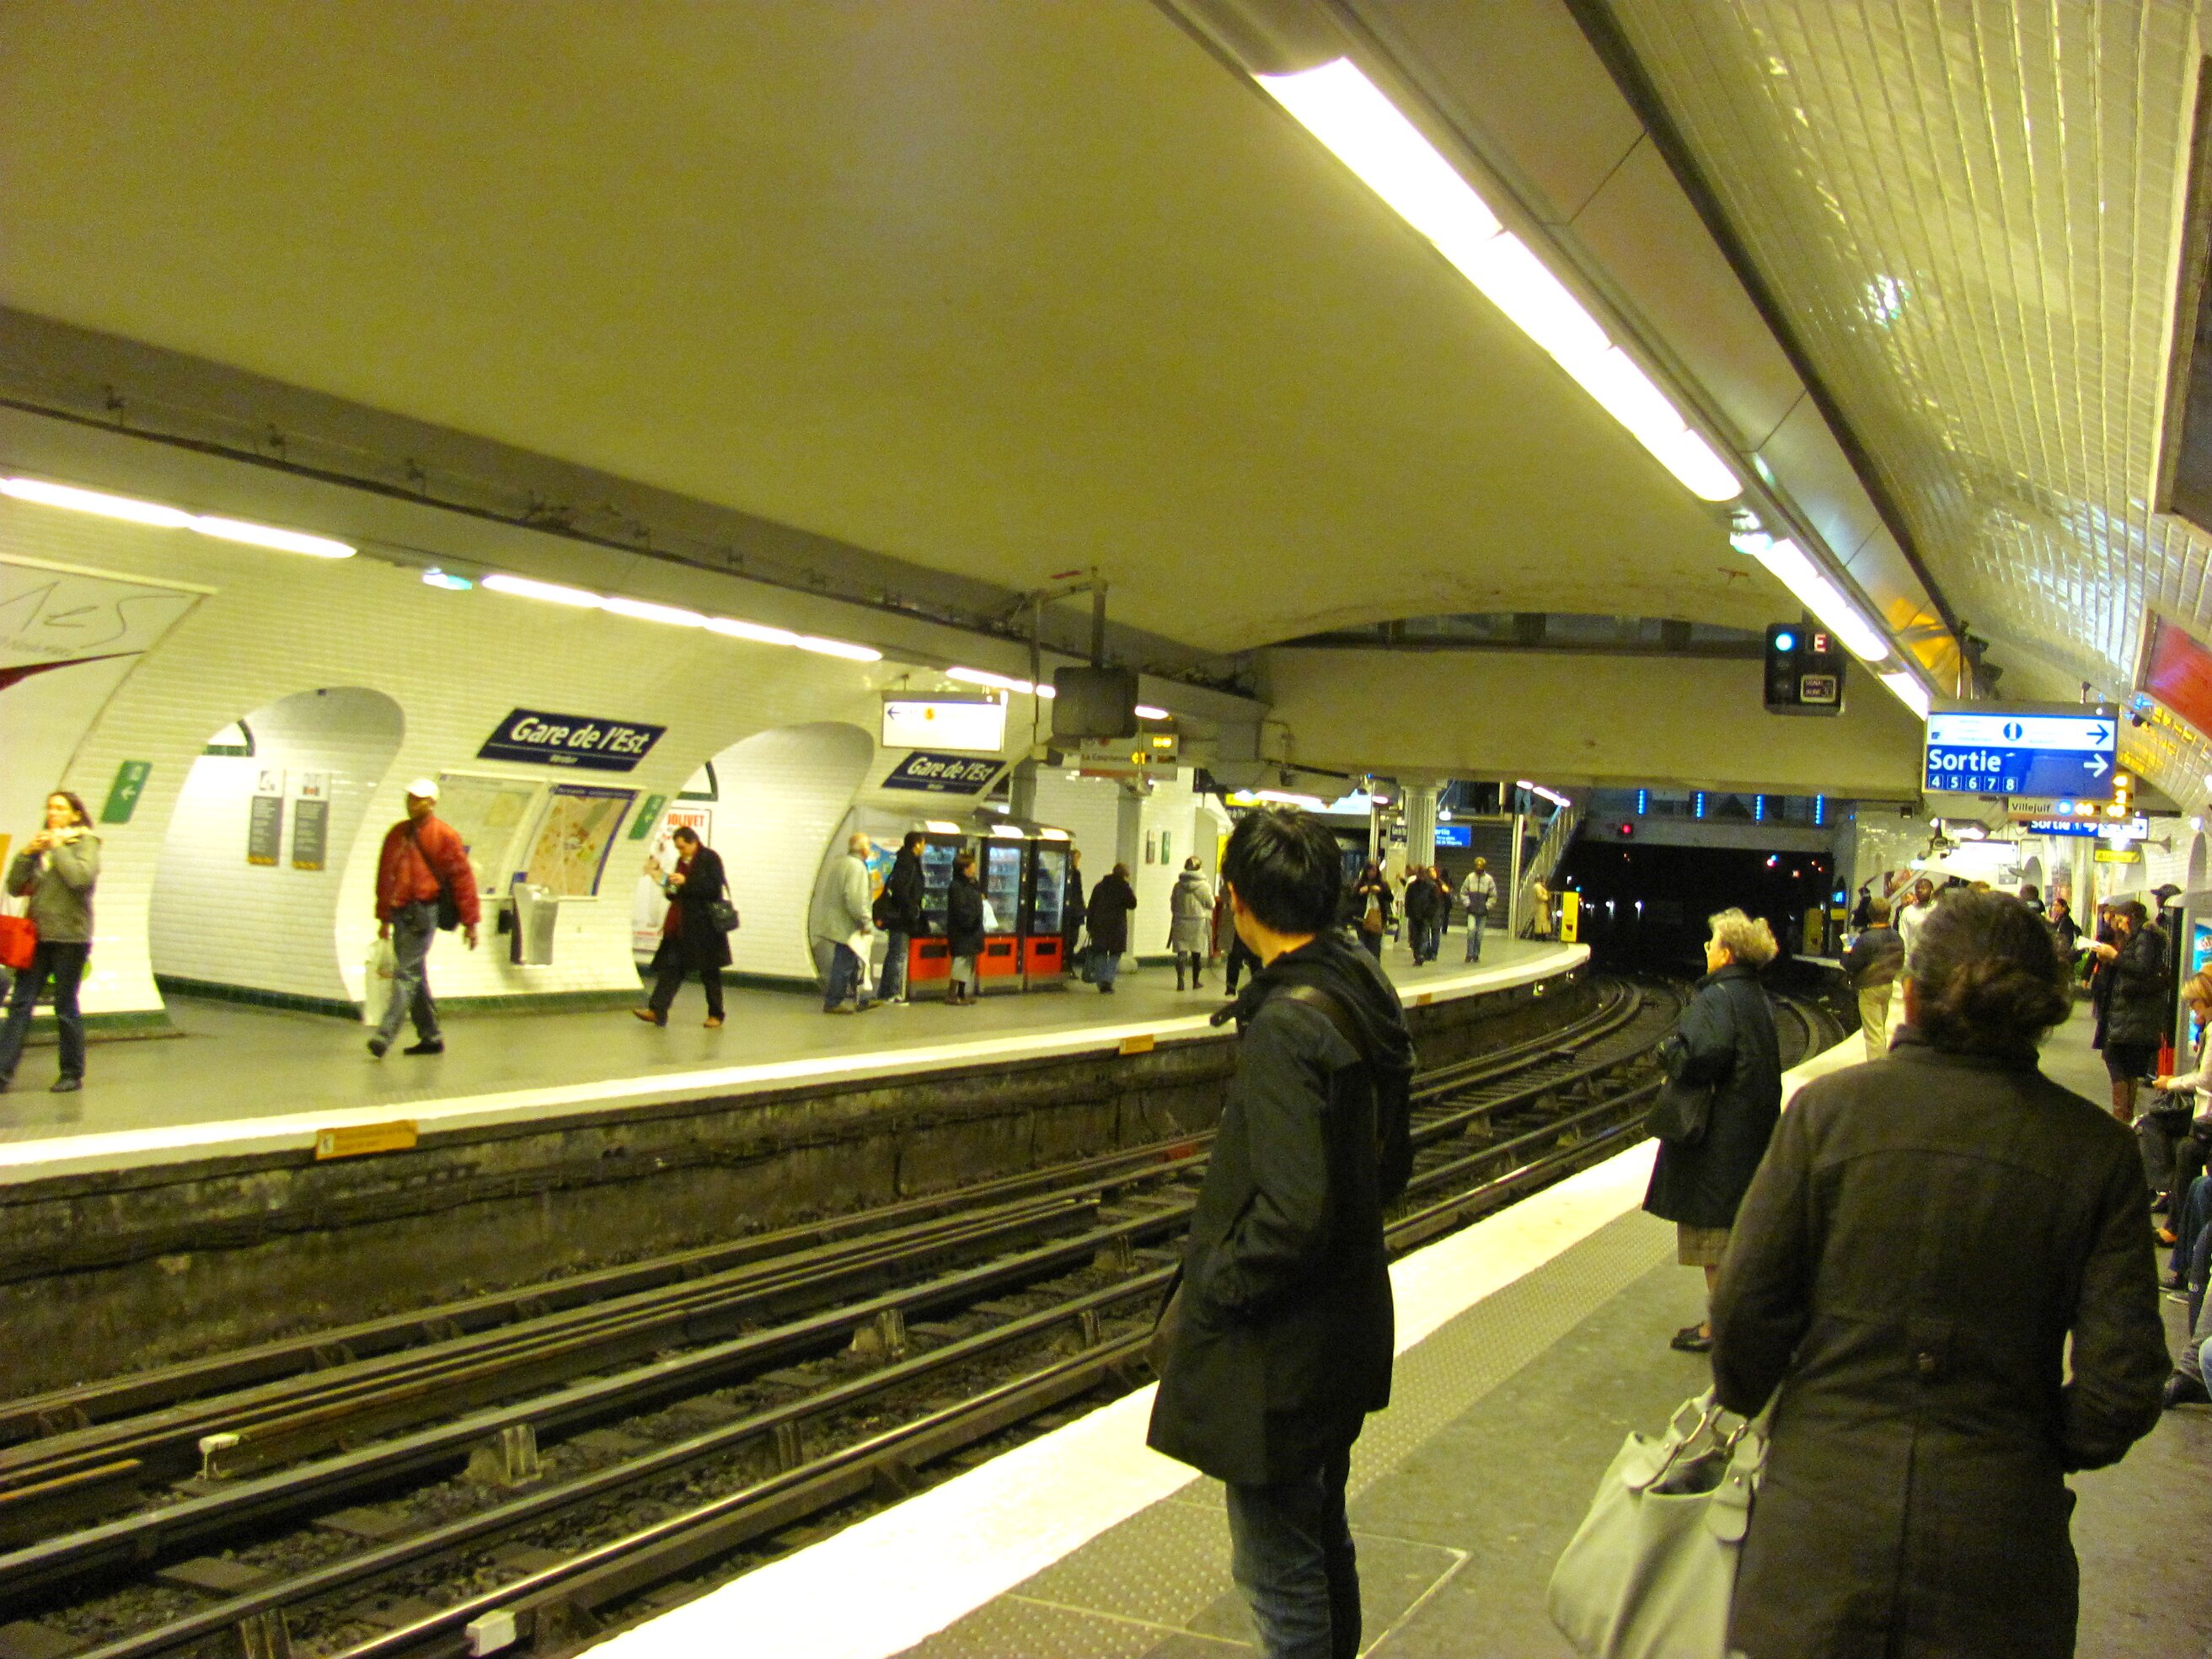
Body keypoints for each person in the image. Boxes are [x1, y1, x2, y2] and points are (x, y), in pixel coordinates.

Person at [1712, 891, 2167, 1656]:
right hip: (1998, 1552)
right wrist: (2027, 1445)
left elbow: (1742, 1313)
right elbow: (2121, 1385)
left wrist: (1794, 1411)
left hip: (1817, 1531)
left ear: (1911, 995)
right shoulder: (2098, 1152)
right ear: (2042, 1012)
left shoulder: (1826, 1114)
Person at [1147, 809, 1415, 1659]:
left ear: (1238, 901)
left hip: (1284, 1354)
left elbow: (1292, 1212)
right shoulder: (1360, 992)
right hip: (1345, 1328)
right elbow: (1391, 1170)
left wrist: (1218, 1285)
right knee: (1320, 1539)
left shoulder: (1286, 1026)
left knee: (1277, 1572)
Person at [1641, 907, 1781, 1354]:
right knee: (1732, 1234)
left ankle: (1720, 1329)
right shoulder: (1755, 995)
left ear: (1726, 954)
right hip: (1747, 1130)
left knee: (1715, 1239)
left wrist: (1670, 1052)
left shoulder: (1718, 997)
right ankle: (1725, 1322)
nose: (1707, 950)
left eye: (1711, 944)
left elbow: (1703, 1055)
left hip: (1717, 1138)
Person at [369, 779, 480, 1058]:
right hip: (399, 911)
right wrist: (383, 917)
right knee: (414, 973)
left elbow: (462, 879)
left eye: (418, 799)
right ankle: (431, 1036)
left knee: (406, 974)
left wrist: (471, 923)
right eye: (409, 798)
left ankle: (384, 1035)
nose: (411, 804)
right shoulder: (396, 834)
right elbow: (385, 876)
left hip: (423, 912)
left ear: (432, 803)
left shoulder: (444, 835)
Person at [0, 790, 100, 1094]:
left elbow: (80, 879)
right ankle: (2, 1071)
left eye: (60, 808)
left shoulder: (86, 843)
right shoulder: (43, 847)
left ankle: (71, 1072)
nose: (53, 813)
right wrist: (27, 854)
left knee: (65, 1005)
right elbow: (15, 886)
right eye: (50, 808)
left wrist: (58, 847)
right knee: (21, 1003)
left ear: (75, 814)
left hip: (70, 937)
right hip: (37, 936)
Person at [632, 826, 729, 1028]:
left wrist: (686, 881)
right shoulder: (681, 862)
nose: (680, 851)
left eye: (683, 847)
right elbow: (674, 893)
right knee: (672, 969)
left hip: (705, 928)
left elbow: (713, 889)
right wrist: (665, 881)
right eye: (677, 848)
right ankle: (657, 1011)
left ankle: (716, 1014)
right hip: (682, 926)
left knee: (709, 972)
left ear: (694, 842)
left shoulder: (710, 858)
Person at [2087, 897, 2168, 1122]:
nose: (2119, 924)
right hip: (2129, 1015)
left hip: (2132, 1016)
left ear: (2131, 918)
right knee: (2127, 1068)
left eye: (2121, 919)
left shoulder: (2145, 937)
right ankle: (2125, 1119)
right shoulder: (2139, 937)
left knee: (2117, 1062)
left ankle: (2121, 1119)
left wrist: (2114, 957)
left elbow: (2141, 968)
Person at [812, 832, 876, 1014]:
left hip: (837, 920)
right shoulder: (857, 867)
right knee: (844, 963)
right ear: (863, 849)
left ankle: (860, 999)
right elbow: (855, 899)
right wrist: (865, 922)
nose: (870, 850)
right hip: (848, 925)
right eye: (869, 846)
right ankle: (834, 1002)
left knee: (854, 963)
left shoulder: (840, 863)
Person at [1840, 896, 1903, 1060]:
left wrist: (1846, 950)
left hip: (1870, 988)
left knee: (1874, 1034)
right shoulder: (1896, 936)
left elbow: (1851, 964)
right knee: (1880, 1028)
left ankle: (1877, 1068)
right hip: (1887, 984)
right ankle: (1882, 1062)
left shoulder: (1866, 939)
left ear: (1870, 914)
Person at [877, 830, 926, 1005]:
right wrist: (911, 908)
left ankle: (885, 992)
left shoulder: (905, 861)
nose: (924, 848)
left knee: (894, 954)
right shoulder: (908, 863)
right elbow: (901, 890)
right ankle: (892, 993)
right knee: (898, 955)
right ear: (917, 844)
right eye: (923, 844)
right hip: (901, 916)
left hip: (900, 914)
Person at [1086, 861, 1137, 993]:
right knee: (1115, 954)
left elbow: (1091, 906)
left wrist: (1089, 924)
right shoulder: (1124, 888)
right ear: (1125, 875)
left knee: (1101, 953)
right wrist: (1127, 886)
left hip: (1099, 925)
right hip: (1116, 926)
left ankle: (1101, 982)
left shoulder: (1100, 886)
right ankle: (1107, 980)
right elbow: (1132, 904)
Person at [943, 849, 985, 1005]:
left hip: (972, 930)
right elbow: (960, 909)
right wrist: (971, 921)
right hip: (962, 931)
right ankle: (952, 994)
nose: (975, 869)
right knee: (960, 963)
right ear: (964, 868)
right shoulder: (956, 886)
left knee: (968, 963)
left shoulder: (972, 884)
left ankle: (961, 994)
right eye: (972, 866)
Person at [1169, 856, 1214, 991]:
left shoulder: (1178, 886)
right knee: (1196, 953)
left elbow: (1173, 903)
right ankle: (1195, 982)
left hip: (1181, 921)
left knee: (1181, 952)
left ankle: (1180, 981)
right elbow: (1211, 904)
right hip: (1198, 922)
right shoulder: (1204, 886)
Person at [1458, 858, 1498, 962]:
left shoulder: (1489, 879)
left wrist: (1487, 906)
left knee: (1479, 935)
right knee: (1471, 931)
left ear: (1484, 866)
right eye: (1477, 865)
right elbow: (1463, 892)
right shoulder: (1470, 877)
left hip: (1483, 912)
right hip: (1472, 911)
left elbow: (1493, 895)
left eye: (1481, 865)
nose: (1479, 867)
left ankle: (1476, 954)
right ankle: (1469, 954)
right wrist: (1468, 904)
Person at [1401, 862, 1440, 966]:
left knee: (1423, 936)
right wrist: (1408, 912)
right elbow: (1408, 900)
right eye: (1419, 873)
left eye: (1422, 873)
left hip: (1425, 916)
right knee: (1414, 937)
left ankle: (1421, 955)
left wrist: (1430, 913)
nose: (1420, 875)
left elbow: (1435, 902)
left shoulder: (1432, 886)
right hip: (1414, 915)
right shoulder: (1412, 886)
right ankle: (1417, 955)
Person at [1350, 860, 1390, 961]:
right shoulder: (1359, 883)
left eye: (1374, 870)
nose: (1372, 873)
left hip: (1378, 919)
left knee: (1375, 946)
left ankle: (1374, 965)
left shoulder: (1382, 884)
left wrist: (1377, 890)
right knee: (1363, 946)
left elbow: (1390, 897)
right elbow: (1353, 897)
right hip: (1361, 919)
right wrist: (1362, 891)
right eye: (1369, 870)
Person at [1893, 875, 1938, 958]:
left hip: (1935, 957)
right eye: (1917, 888)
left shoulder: (1939, 909)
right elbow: (1903, 938)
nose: (1919, 890)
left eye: (1923, 888)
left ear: (1931, 890)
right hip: (1915, 958)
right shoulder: (1908, 912)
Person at [1062, 848, 1086, 974]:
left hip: (1068, 912)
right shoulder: (1075, 873)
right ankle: (1068, 966)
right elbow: (1078, 893)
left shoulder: (1062, 872)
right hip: (1075, 912)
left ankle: (1066, 964)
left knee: (1067, 940)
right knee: (1072, 940)